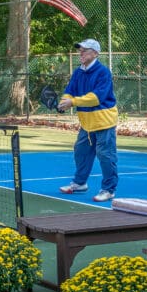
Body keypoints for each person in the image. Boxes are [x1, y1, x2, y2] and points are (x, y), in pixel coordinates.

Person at [57, 39, 120, 202]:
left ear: (95, 53)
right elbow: (69, 91)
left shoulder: (103, 72)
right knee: (81, 151)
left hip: (104, 122)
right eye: (80, 50)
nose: (81, 53)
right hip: (87, 124)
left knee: (105, 155)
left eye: (85, 50)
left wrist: (73, 102)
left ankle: (108, 189)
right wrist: (65, 101)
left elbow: (96, 98)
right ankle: (80, 183)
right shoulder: (78, 72)